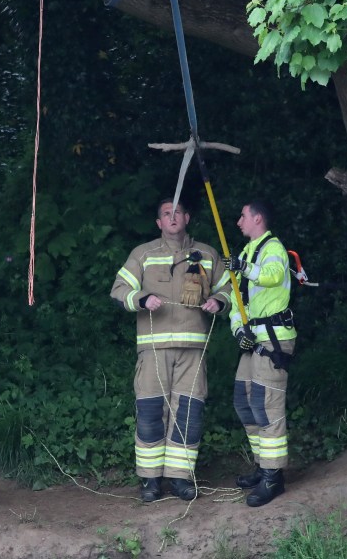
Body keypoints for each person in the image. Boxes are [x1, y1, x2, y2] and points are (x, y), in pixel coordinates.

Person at [110, 198, 231, 502]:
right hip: (153, 349)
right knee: (151, 412)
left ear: (187, 217)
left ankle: (180, 479)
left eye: (177, 211)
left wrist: (219, 301)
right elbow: (118, 290)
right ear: (159, 223)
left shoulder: (206, 254)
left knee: (188, 414)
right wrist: (140, 298)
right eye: (166, 213)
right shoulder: (143, 254)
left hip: (193, 349)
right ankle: (150, 481)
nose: (172, 216)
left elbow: (230, 287)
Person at [223, 199, 296, 507]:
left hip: (274, 339)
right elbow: (236, 297)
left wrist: (244, 267)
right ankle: (262, 463)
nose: (238, 222)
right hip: (255, 340)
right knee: (244, 399)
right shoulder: (246, 253)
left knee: (266, 406)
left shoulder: (273, 249)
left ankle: (273, 477)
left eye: (242, 216)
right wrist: (239, 330)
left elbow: (271, 276)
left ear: (257, 218)